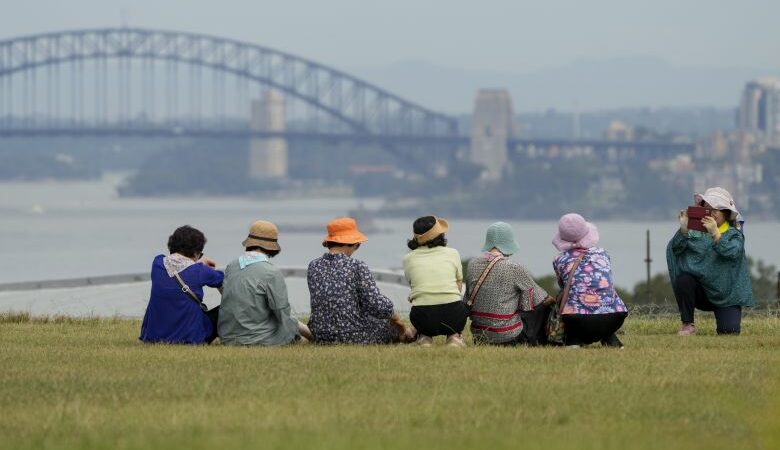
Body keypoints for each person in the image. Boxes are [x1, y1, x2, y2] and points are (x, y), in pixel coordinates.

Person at [307, 217, 416, 344]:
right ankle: (405, 336)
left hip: (319, 334)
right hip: (351, 335)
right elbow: (376, 304)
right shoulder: (356, 265)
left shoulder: (313, 265)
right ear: (351, 243)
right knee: (388, 326)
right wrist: (395, 318)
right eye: (358, 244)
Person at [666, 187, 754, 336]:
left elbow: (733, 252)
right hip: (701, 292)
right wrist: (683, 231)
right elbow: (675, 249)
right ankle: (687, 324)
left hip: (727, 295)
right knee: (684, 280)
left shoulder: (734, 234)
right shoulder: (694, 231)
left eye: (715, 210)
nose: (710, 214)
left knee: (729, 332)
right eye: (706, 209)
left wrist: (716, 234)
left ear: (725, 214)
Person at [218, 220, 313, 346]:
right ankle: (315, 337)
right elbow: (282, 312)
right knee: (302, 340)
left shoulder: (232, 265)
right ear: (272, 246)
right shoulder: (271, 272)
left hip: (227, 337)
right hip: (258, 339)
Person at [466, 222, 555, 346]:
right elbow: (538, 299)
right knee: (543, 307)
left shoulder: (472, 264)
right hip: (507, 337)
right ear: (509, 242)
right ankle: (544, 342)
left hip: (479, 335)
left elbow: (467, 298)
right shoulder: (513, 267)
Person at [552, 213, 628, 348]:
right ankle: (610, 339)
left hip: (577, 319)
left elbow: (564, 288)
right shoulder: (603, 253)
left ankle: (573, 341)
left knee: (567, 300)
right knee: (602, 305)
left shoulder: (559, 260)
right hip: (616, 316)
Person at [140, 225, 223, 345]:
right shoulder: (201, 271)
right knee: (224, 309)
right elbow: (227, 280)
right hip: (189, 337)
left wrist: (199, 261)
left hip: (153, 336)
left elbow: (179, 265)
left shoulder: (157, 263)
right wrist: (201, 264)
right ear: (195, 252)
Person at [403, 216, 468, 347]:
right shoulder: (453, 253)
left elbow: (414, 286)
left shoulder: (408, 259)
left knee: (423, 314)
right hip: (454, 317)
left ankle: (424, 338)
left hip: (422, 318)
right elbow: (459, 287)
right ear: (440, 235)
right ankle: (454, 337)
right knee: (458, 307)